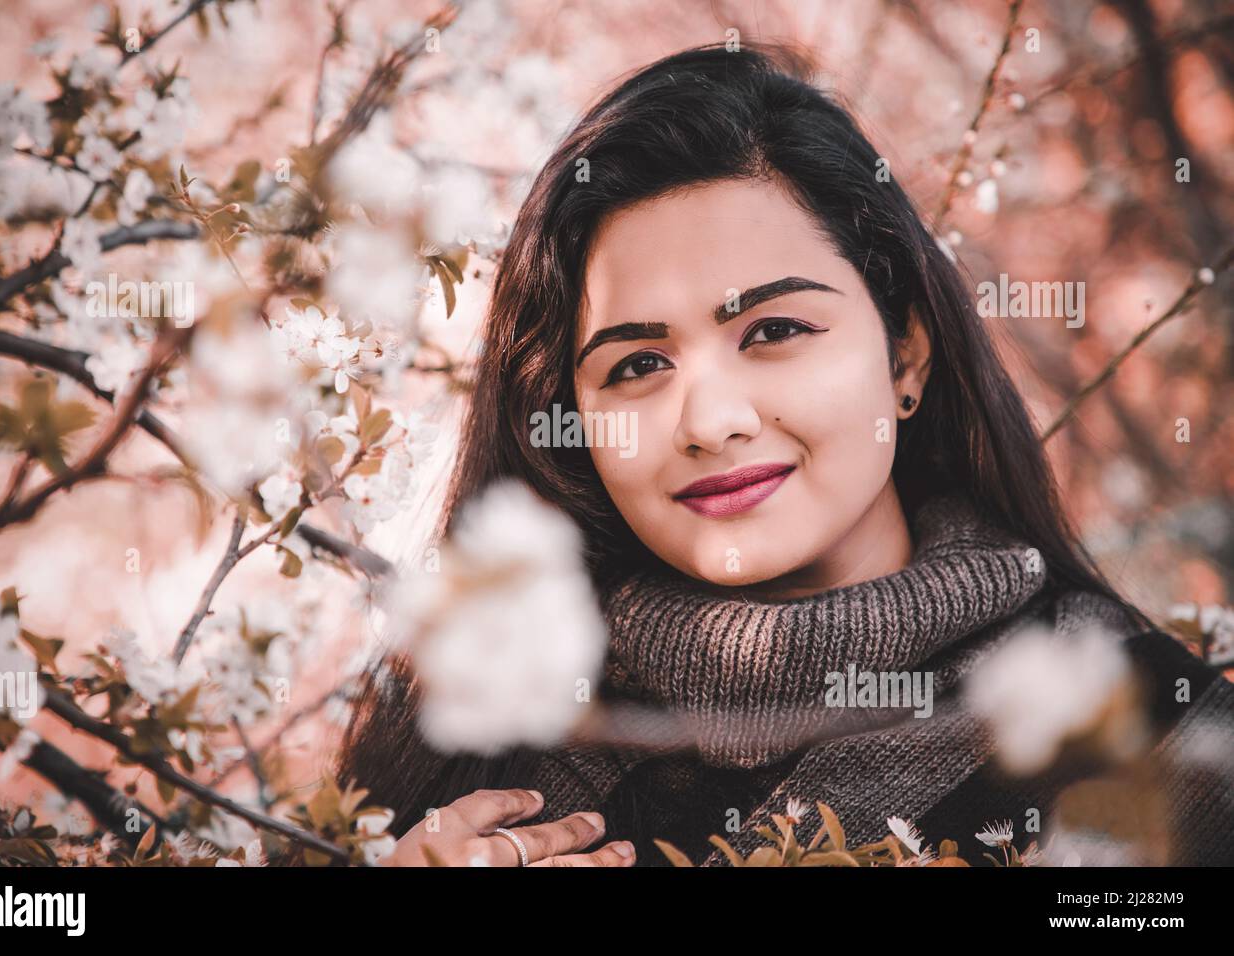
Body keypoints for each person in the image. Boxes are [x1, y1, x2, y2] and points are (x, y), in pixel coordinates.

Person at [332, 41, 1234, 867]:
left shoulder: (1155, 735)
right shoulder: (482, 747)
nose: (711, 421)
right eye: (638, 364)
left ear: (905, 353)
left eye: (774, 330)